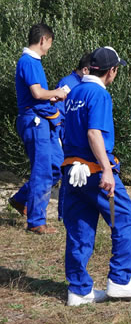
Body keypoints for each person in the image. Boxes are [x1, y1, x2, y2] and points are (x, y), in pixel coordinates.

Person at [62, 46, 131, 306]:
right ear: (111, 71)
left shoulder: (75, 91)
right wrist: (108, 170)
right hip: (94, 172)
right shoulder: (98, 94)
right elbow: (94, 134)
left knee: (80, 228)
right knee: (126, 218)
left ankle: (78, 290)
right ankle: (120, 280)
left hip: (72, 172)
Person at [9, 23, 67, 234]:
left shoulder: (33, 62)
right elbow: (36, 92)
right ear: (43, 40)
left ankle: (21, 199)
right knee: (42, 170)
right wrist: (57, 93)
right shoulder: (29, 61)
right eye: (50, 43)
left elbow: (38, 93)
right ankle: (36, 222)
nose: (49, 47)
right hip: (35, 122)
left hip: (42, 121)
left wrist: (50, 95)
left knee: (56, 165)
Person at [55, 53, 91, 221]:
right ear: (84, 69)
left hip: (79, 138)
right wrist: (60, 135)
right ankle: (63, 214)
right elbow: (58, 111)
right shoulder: (67, 84)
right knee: (66, 175)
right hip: (67, 137)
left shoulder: (84, 85)